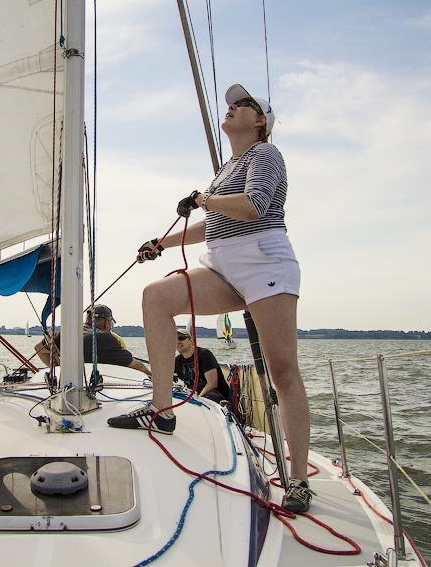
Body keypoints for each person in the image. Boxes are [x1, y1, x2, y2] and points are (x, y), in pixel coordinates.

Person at [107, 83, 313, 513]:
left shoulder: (265, 156)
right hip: (222, 264)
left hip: (264, 262)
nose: (233, 107)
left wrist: (203, 199)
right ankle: (162, 410)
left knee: (282, 369)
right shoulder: (225, 168)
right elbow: (213, 224)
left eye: (243, 104)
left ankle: (297, 481)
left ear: (260, 121)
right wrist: (161, 243)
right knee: (156, 296)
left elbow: (253, 206)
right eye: (232, 103)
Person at [34, 304, 150, 376]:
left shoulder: (67, 333)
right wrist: (152, 378)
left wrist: (59, 370)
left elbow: (39, 349)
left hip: (70, 386)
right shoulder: (107, 338)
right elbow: (137, 366)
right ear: (107, 322)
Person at [173, 329, 230, 404]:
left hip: (215, 394)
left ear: (191, 340)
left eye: (181, 338)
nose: (177, 341)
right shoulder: (177, 361)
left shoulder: (204, 354)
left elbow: (212, 384)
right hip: (194, 395)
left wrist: (198, 398)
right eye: (174, 339)